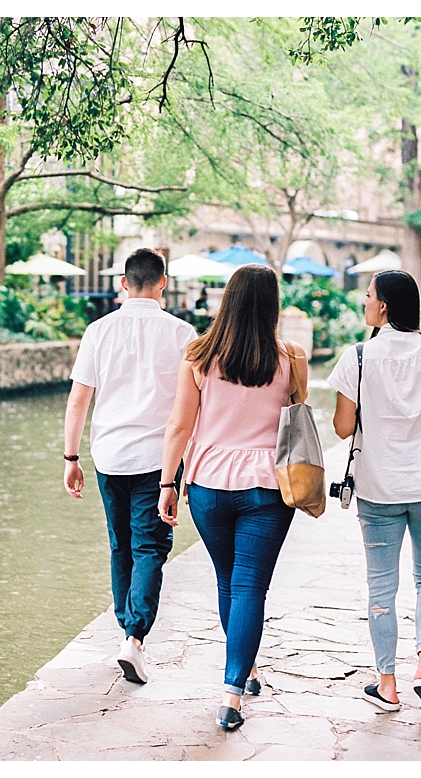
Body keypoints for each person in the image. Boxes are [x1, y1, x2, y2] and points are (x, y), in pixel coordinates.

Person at [156, 264, 309, 731]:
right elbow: (298, 421)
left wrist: (167, 484)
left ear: (229, 299)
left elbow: (179, 426)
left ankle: (244, 671)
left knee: (228, 581)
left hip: (207, 486)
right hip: (268, 486)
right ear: (272, 304)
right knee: (249, 587)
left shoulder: (198, 356)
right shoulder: (292, 358)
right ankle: (232, 694)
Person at [328, 270, 421, 713]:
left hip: (379, 490)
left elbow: (341, 428)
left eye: (369, 296)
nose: (364, 302)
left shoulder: (358, 357)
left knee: (381, 588)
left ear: (385, 306)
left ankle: (388, 685)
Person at [64, 248, 196, 685]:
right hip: (159, 460)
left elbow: (79, 398)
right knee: (151, 548)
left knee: (121, 544)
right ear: (163, 283)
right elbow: (192, 405)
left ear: (123, 283)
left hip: (110, 455)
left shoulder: (98, 331)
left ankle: (126, 628)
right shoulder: (183, 334)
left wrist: (71, 457)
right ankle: (135, 637)